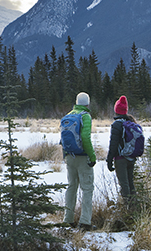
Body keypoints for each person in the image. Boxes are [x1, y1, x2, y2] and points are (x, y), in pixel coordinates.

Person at [62, 91, 96, 230]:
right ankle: (85, 222)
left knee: (71, 187)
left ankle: (68, 220)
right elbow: (86, 138)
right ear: (87, 103)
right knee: (87, 189)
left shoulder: (69, 115)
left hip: (70, 156)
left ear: (76, 102)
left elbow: (63, 138)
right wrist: (92, 156)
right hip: (82, 157)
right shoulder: (85, 116)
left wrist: (65, 156)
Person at [106, 95, 137, 206]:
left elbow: (113, 144)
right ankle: (134, 205)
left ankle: (127, 207)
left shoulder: (117, 125)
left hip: (120, 158)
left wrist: (109, 160)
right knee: (130, 182)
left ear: (116, 111)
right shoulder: (131, 123)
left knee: (124, 184)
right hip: (131, 157)